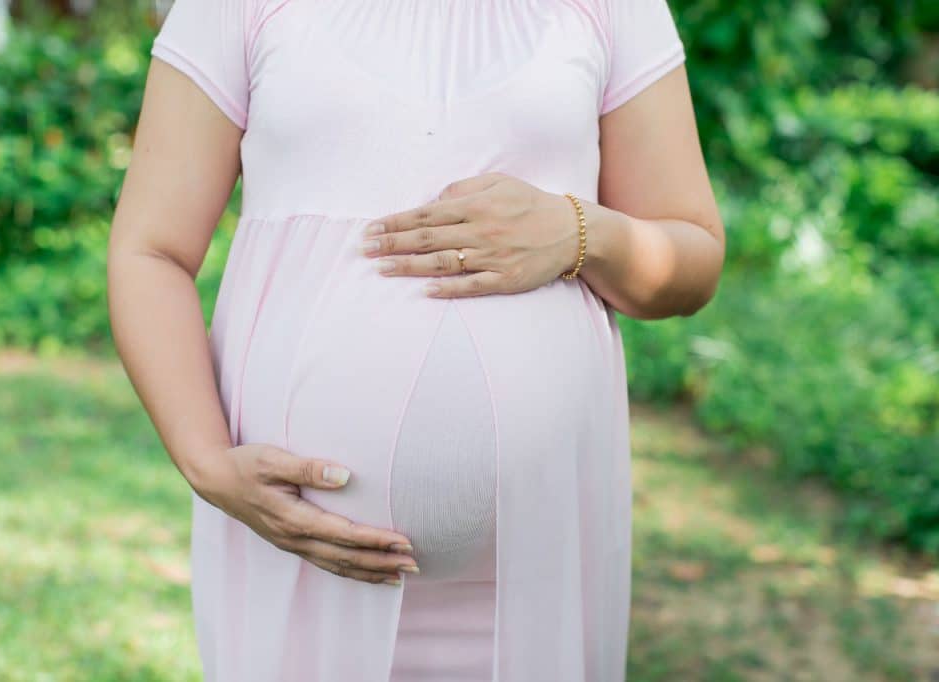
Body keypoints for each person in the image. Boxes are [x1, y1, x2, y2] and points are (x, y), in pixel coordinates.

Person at [106, 0, 724, 680]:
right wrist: (205, 460)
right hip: (299, 562)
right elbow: (150, 251)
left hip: (534, 577)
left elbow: (691, 259)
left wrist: (578, 231)